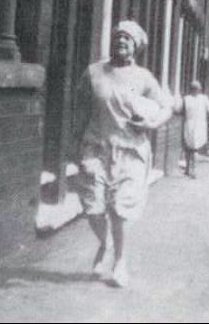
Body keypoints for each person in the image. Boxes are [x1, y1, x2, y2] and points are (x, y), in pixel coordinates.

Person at [74, 20, 173, 288]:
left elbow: (166, 107)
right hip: (95, 146)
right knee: (93, 208)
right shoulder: (94, 72)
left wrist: (150, 123)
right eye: (118, 37)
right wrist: (76, 146)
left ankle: (120, 261)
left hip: (129, 150)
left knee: (118, 209)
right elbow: (80, 109)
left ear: (135, 47)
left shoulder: (143, 77)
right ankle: (104, 244)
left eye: (127, 39)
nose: (121, 42)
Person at [179, 80, 209, 179]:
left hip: (196, 124)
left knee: (192, 148)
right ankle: (190, 169)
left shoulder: (202, 99)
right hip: (193, 124)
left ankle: (191, 169)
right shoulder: (187, 99)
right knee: (190, 148)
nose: (195, 91)